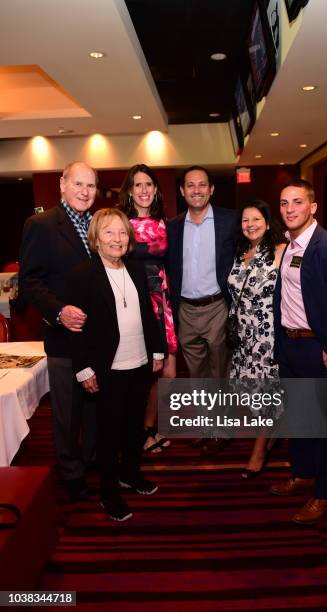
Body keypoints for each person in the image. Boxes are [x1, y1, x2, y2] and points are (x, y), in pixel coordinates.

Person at [270, 179, 327, 524]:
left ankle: (326, 493)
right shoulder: (290, 247)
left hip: (317, 349)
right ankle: (304, 474)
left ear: (313, 207)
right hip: (291, 346)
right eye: (283, 203)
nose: (289, 209)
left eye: (297, 202)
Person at [66, 208, 164, 522]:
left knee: (134, 427)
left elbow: (149, 315)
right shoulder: (83, 274)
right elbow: (76, 327)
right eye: (109, 232)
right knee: (109, 434)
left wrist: (158, 351)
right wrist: (83, 368)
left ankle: (130, 475)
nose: (117, 239)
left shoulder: (135, 269)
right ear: (95, 238)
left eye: (122, 232)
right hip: (108, 367)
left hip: (139, 362)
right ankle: (108, 494)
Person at [19, 162, 98, 500]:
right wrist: (58, 311)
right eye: (78, 184)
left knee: (96, 405)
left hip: (98, 338)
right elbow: (30, 282)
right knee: (67, 412)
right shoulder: (41, 224)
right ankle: (70, 473)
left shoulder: (99, 225)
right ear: (62, 184)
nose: (85, 191)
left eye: (91, 186)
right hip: (64, 338)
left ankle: (91, 460)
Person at [167, 166, 236, 456]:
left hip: (217, 305)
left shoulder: (229, 220)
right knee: (195, 374)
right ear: (182, 191)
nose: (197, 190)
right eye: (190, 185)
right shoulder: (171, 226)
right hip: (185, 309)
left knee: (219, 370)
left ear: (211, 189)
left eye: (202, 185)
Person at [118, 164, 177, 453]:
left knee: (167, 374)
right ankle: (136, 433)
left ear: (155, 190)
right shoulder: (121, 224)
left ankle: (148, 427)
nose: (143, 190)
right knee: (140, 374)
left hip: (161, 302)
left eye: (148, 185)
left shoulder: (165, 222)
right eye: (137, 185)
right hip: (134, 302)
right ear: (130, 191)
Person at [228, 201, 285, 478]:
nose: (250, 224)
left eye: (256, 218)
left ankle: (259, 451)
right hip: (243, 335)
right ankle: (271, 434)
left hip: (269, 335)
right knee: (251, 391)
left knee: (267, 393)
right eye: (245, 220)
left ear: (268, 221)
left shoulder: (280, 251)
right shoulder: (241, 252)